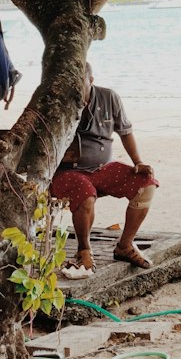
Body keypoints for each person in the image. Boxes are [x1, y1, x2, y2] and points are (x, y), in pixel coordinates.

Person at [51, 65, 158, 274]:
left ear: (90, 79)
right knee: (85, 194)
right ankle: (84, 251)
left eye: (79, 83)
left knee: (146, 184)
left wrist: (137, 162)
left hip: (102, 168)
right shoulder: (56, 101)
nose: (75, 89)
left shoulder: (109, 97)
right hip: (66, 172)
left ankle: (125, 245)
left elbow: (125, 131)